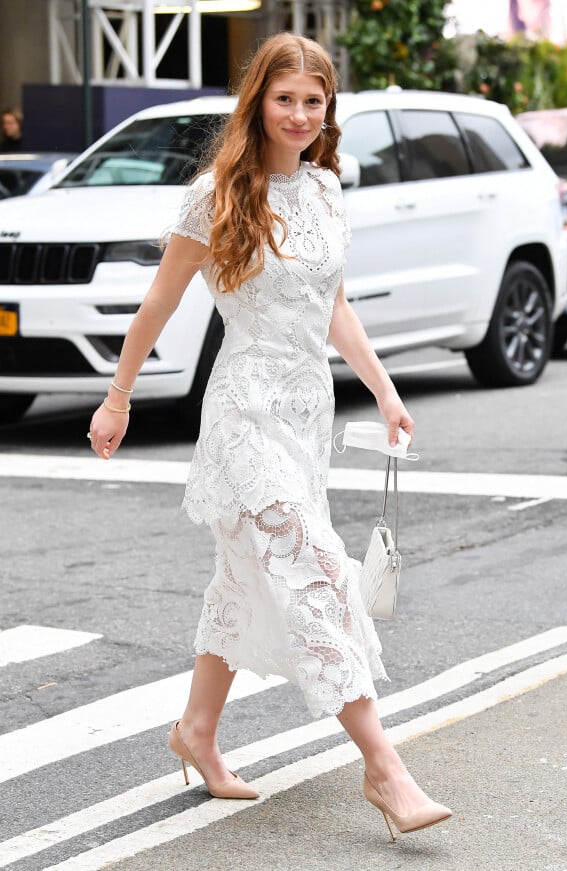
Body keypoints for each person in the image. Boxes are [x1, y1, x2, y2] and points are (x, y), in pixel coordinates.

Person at [88, 32, 452, 839]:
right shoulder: (215, 192)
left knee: (245, 581)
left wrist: (386, 390)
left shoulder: (325, 190)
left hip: (304, 413)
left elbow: (335, 306)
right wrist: (117, 399)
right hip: (244, 412)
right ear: (257, 101)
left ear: (328, 112)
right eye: (284, 98)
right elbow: (158, 304)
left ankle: (197, 733)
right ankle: (385, 771)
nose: (298, 113)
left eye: (312, 101)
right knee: (314, 570)